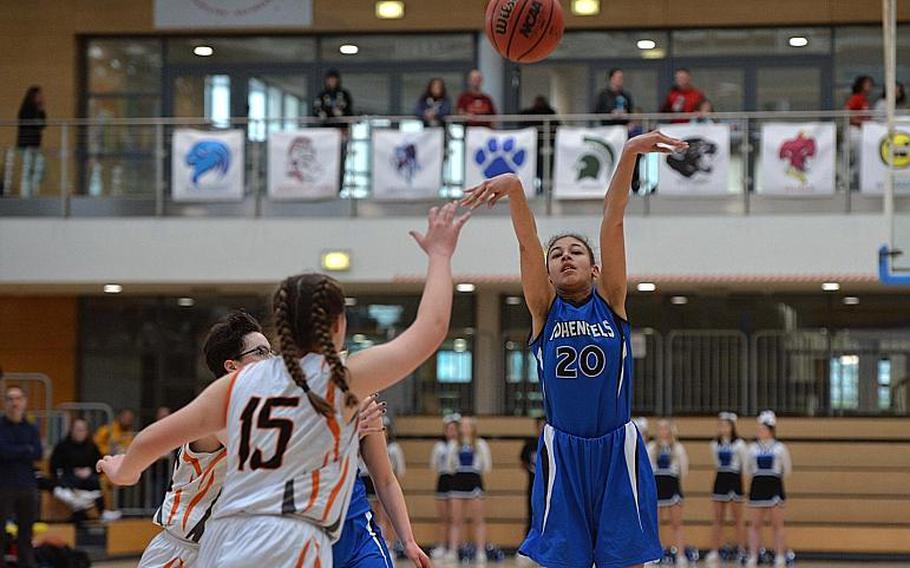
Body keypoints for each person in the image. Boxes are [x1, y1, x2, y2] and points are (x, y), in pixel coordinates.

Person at [98, 203, 469, 567]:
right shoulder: (341, 379)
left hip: (226, 540)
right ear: (338, 326)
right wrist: (439, 255)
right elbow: (431, 329)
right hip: (291, 540)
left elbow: (150, 440)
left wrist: (123, 470)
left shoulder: (237, 384)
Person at [460, 130, 688, 568]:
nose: (565, 257)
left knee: (626, 561)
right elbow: (528, 243)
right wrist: (515, 191)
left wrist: (628, 155)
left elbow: (613, 220)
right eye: (557, 254)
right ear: (547, 274)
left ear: (595, 266)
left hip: (616, 447)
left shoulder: (613, 302)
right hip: (562, 449)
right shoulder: (544, 311)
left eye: (576, 252)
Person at [138, 311, 273, 568]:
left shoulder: (261, 413)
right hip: (182, 553)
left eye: (270, 351)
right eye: (261, 352)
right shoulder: (220, 411)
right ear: (232, 366)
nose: (271, 359)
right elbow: (265, 460)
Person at [334, 403, 430, 568]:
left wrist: (408, 541)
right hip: (306, 532)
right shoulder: (287, 403)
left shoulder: (363, 406)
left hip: (358, 534)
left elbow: (385, 480)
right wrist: (339, 436)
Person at [0, 384, 43, 568]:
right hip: (4, 485)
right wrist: (25, 450)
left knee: (26, 532)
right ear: (5, 403)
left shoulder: (31, 428)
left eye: (18, 399)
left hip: (27, 486)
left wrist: (17, 451)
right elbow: (3, 452)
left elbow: (39, 453)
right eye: (10, 399)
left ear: (24, 402)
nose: (14, 403)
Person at [49, 418, 120, 523]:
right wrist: (72, 472)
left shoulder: (91, 446)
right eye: (77, 429)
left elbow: (100, 463)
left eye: (83, 430)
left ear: (87, 432)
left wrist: (89, 471)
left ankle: (102, 512)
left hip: (88, 476)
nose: (80, 432)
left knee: (95, 481)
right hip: (69, 476)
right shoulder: (62, 446)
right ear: (71, 430)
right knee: (69, 483)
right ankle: (78, 512)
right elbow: (54, 466)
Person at [746, 411, 792, 568]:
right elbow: (747, 469)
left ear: (771, 430)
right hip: (757, 487)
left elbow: (787, 469)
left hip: (774, 487)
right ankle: (753, 556)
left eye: (763, 428)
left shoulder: (780, 448)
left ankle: (779, 556)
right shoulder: (751, 448)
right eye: (759, 428)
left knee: (777, 524)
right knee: (755, 524)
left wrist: (775, 479)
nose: (760, 431)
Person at [705, 412, 749, 567]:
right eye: (720, 425)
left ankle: (742, 550)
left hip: (735, 480)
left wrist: (743, 487)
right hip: (720, 479)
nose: (723, 428)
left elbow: (745, 468)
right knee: (718, 518)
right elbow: (716, 465)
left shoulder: (740, 445)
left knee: (738, 518)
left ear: (732, 427)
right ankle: (714, 551)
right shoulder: (714, 444)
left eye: (726, 425)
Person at [446, 416, 491, 564]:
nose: (464, 428)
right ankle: (453, 551)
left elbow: (486, 465)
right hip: (458, 480)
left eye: (467, 425)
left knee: (478, 520)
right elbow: (449, 466)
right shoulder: (454, 445)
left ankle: (480, 551)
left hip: (474, 480)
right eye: (462, 425)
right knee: (456, 520)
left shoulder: (480, 444)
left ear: (473, 427)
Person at [648, 420, 689, 566]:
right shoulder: (652, 447)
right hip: (657, 487)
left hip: (672, 487)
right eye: (660, 428)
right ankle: (655, 555)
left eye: (665, 428)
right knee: (655, 523)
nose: (662, 431)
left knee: (676, 523)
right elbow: (647, 469)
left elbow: (684, 470)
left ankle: (681, 555)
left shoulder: (678, 448)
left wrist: (678, 485)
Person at [429, 413, 460, 560]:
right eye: (449, 429)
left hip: (456, 479)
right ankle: (441, 546)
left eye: (454, 428)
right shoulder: (439, 446)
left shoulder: (462, 446)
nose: (451, 431)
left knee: (454, 518)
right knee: (443, 518)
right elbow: (434, 464)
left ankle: (453, 548)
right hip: (443, 479)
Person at [12, 86, 46, 197]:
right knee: (27, 169)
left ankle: (34, 192)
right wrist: (30, 144)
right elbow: (28, 127)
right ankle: (25, 195)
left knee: (37, 169)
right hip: (26, 145)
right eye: (38, 95)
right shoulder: (26, 110)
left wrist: (41, 110)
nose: (41, 97)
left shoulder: (38, 110)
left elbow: (43, 125)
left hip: (35, 145)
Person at [519, 96, 558, 185]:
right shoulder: (529, 113)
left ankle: (547, 182)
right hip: (534, 143)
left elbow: (556, 126)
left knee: (547, 163)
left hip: (547, 142)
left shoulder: (550, 113)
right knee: (535, 164)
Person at [519, 416, 545, 535]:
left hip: (550, 485)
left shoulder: (553, 443)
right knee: (532, 513)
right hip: (533, 485)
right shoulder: (530, 444)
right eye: (540, 425)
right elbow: (522, 462)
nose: (542, 428)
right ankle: (529, 542)